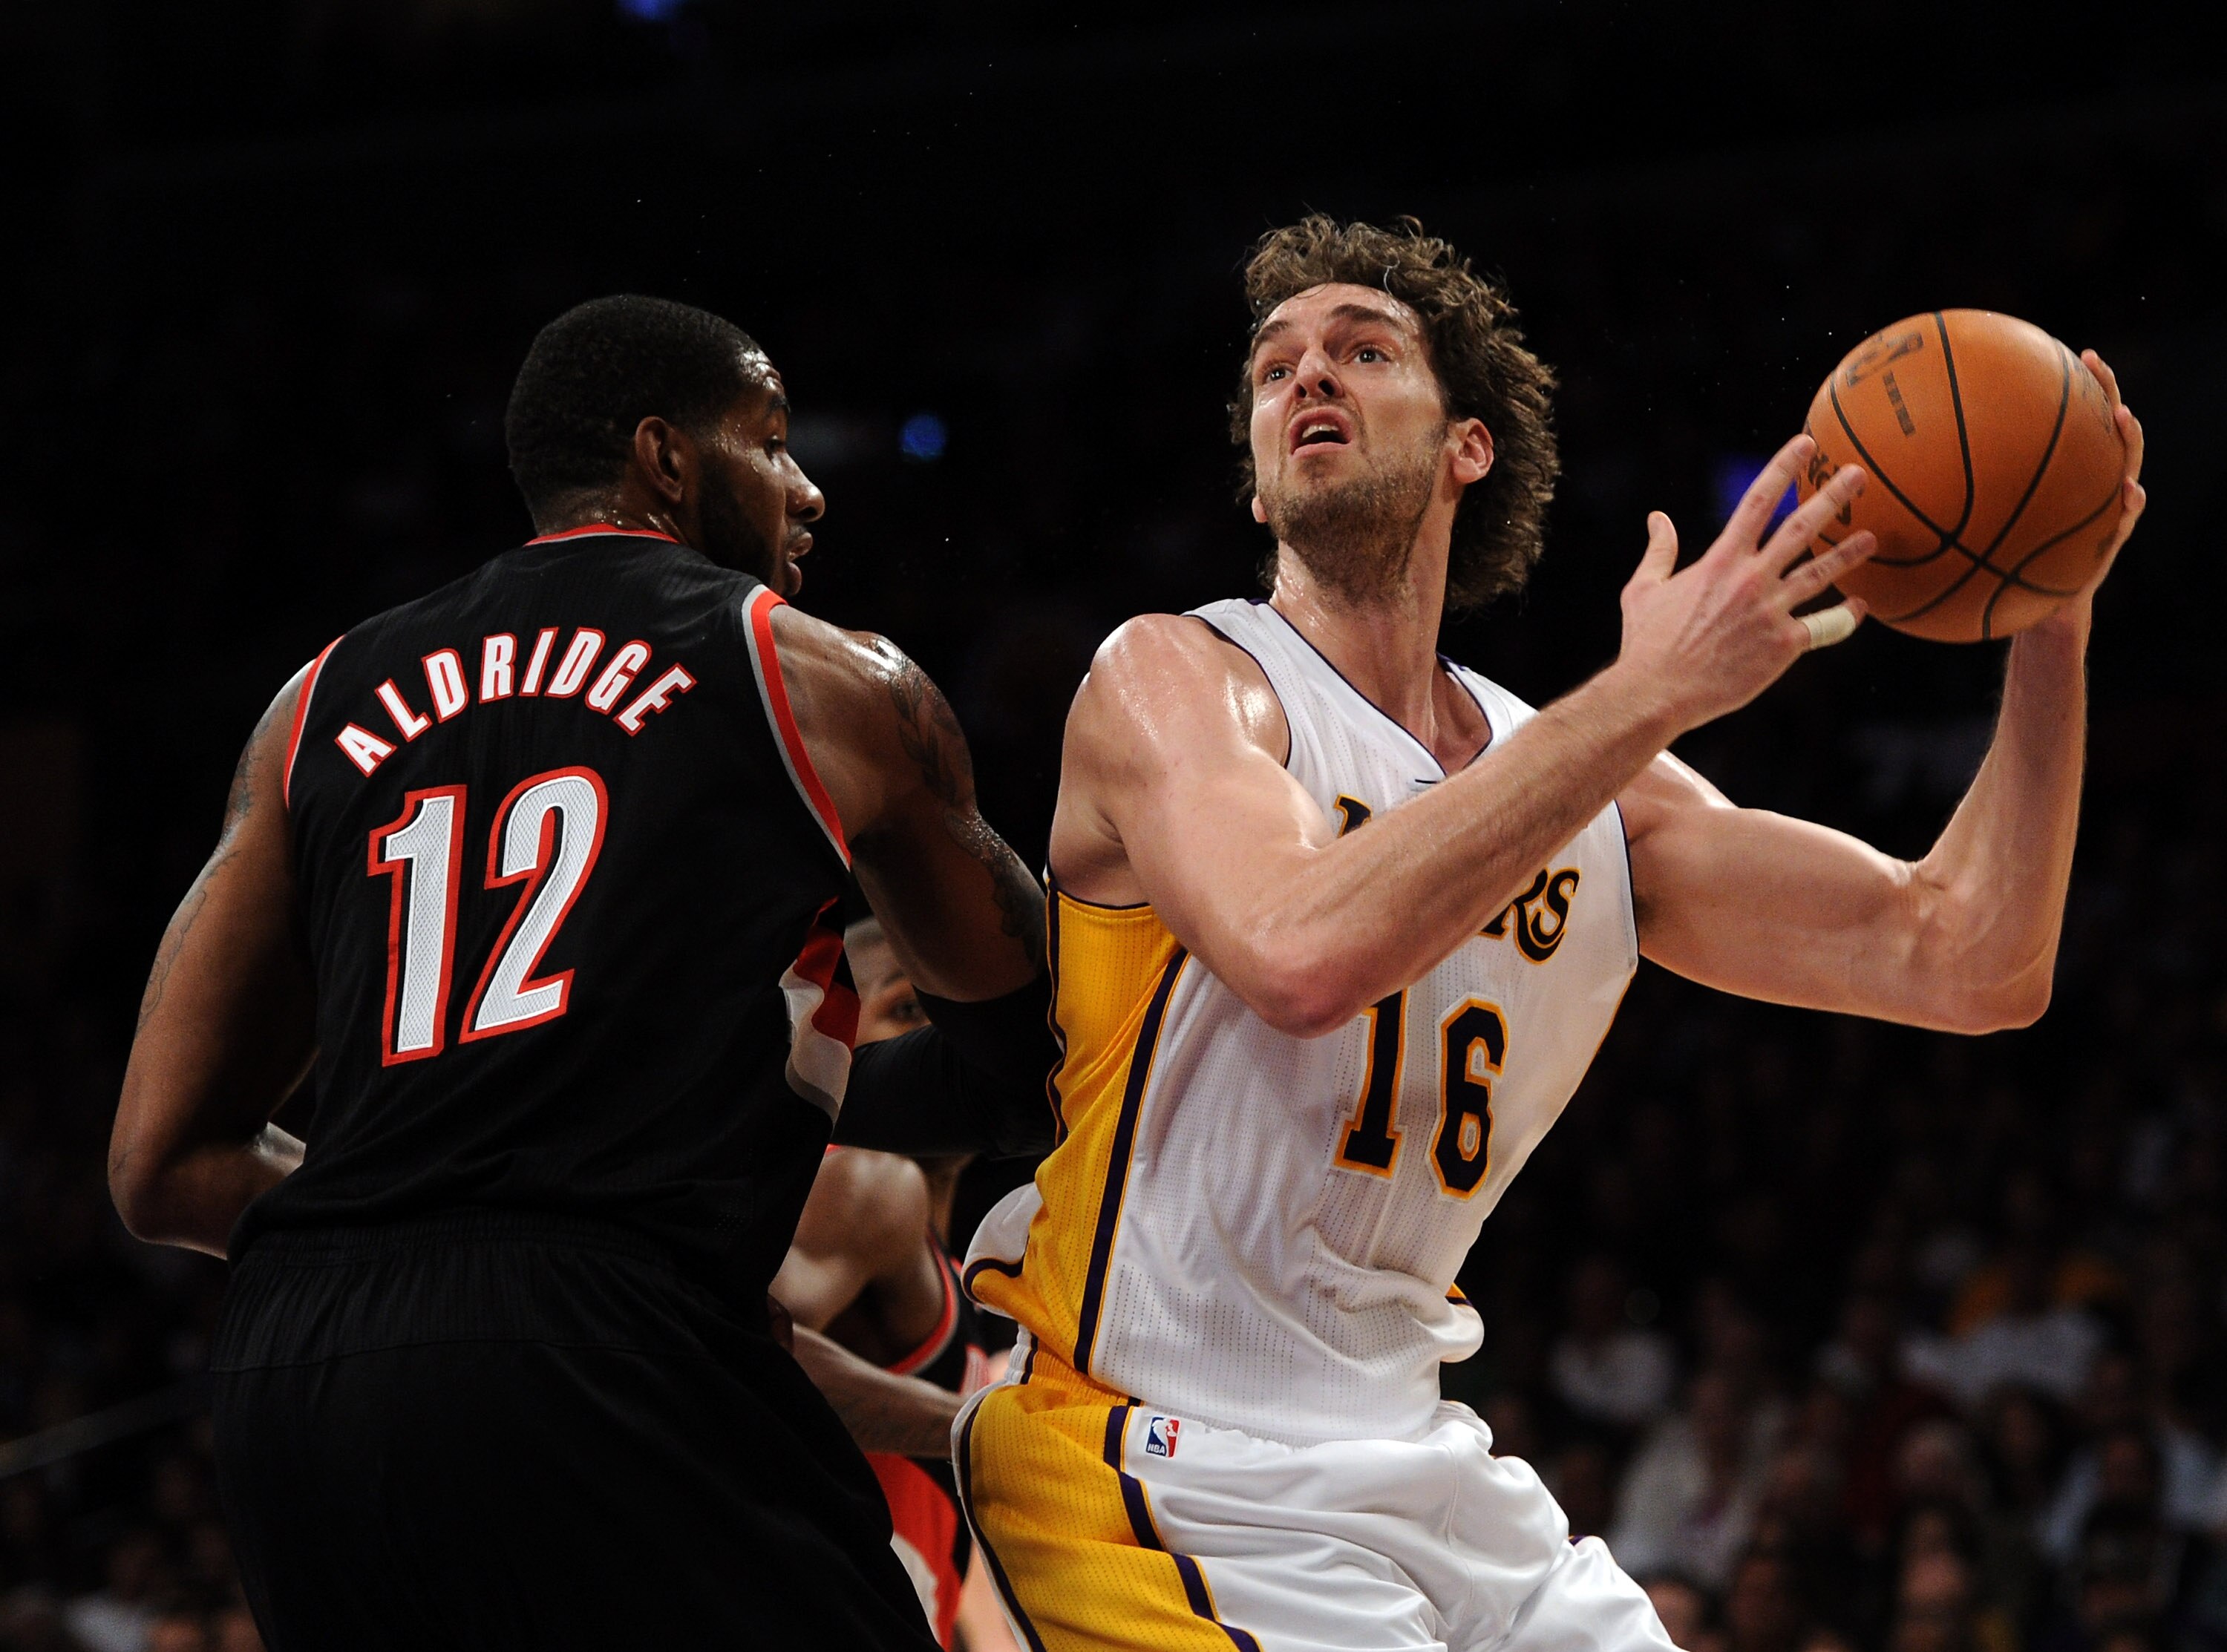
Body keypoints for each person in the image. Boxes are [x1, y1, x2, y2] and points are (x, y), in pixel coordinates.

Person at [957, 217, 2146, 1651]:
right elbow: (1297, 954)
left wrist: (2052, 620)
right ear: (1259, 480)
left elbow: (1973, 961)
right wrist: (1649, 695)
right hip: (1160, 1449)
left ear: (1468, 446)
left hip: (1417, 1453)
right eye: (1275, 369)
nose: (1304, 379)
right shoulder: (1178, 681)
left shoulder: (1593, 788)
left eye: (1362, 351)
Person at [107, 295, 1056, 1651]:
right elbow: (1028, 1049)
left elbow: (157, 1162)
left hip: (303, 1372)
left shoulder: (311, 702)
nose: (809, 485)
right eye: (772, 440)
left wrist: (423, 1216)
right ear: (667, 459)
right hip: (609, 1336)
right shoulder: (815, 676)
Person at [777, 917, 1020, 1649]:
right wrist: (990, 1433)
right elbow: (716, 1346)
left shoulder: (965, 1268)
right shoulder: (866, 1184)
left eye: (959, 1019)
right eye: (909, 1011)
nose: (948, 1046)